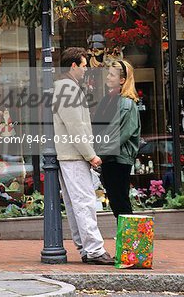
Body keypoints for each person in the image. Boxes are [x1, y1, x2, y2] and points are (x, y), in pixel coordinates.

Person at [53, 47, 114, 265]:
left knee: (75, 204)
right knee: (84, 202)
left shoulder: (65, 87)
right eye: (84, 65)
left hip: (70, 155)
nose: (86, 69)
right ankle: (94, 250)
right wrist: (90, 155)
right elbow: (75, 126)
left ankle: (88, 249)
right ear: (73, 66)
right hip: (74, 155)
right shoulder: (67, 89)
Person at [93, 60, 141, 219]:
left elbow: (118, 135)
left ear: (122, 80)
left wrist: (99, 156)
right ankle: (127, 238)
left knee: (120, 201)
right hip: (111, 158)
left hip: (118, 159)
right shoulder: (110, 100)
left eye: (111, 75)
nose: (108, 77)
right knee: (116, 201)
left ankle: (131, 239)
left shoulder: (125, 103)